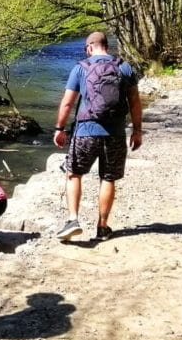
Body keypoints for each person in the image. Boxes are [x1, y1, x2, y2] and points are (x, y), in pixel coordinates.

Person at [52, 31, 142, 241]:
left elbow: (67, 102)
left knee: (74, 173)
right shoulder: (124, 67)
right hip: (116, 133)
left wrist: (59, 128)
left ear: (90, 47)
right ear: (106, 46)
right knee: (108, 178)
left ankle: (73, 219)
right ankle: (102, 227)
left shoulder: (80, 68)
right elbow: (135, 103)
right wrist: (137, 130)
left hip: (85, 131)